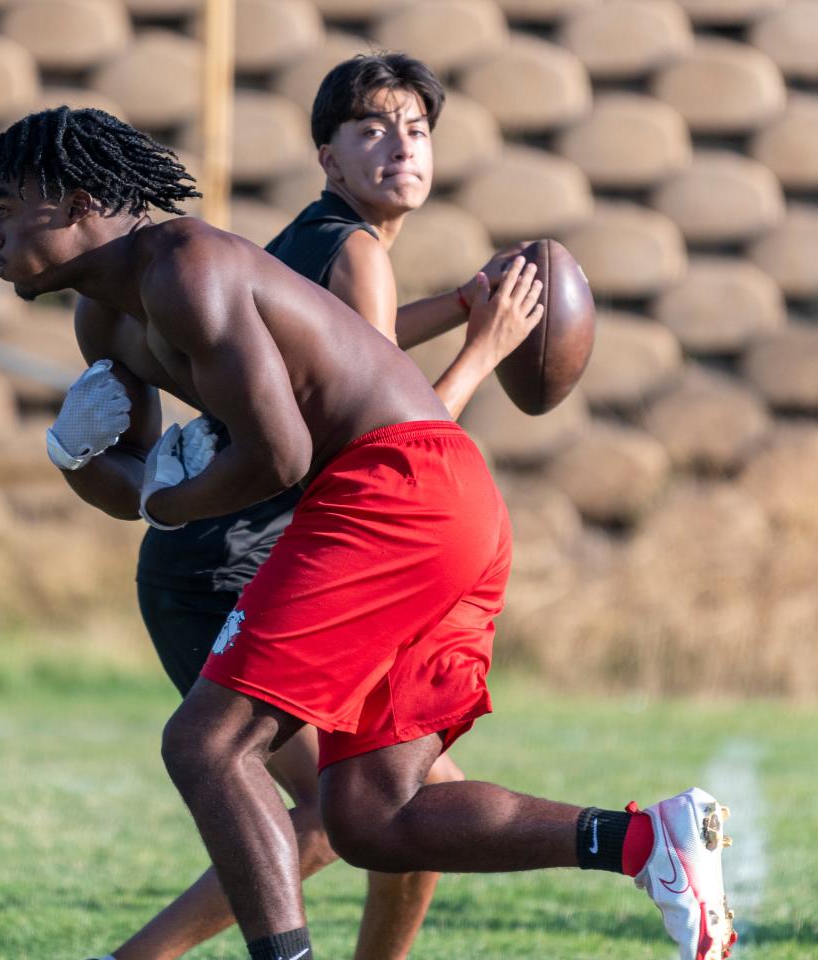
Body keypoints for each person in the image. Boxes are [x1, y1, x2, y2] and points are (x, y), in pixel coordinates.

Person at [0, 105, 734, 960]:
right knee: (374, 815)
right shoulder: (101, 320)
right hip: (432, 500)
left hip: (394, 491)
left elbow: (280, 455)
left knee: (209, 746)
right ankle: (645, 841)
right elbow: (144, 494)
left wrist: (173, 500)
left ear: (77, 203)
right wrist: (72, 455)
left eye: (4, 205)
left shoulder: (184, 267)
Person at [119, 52, 532, 960]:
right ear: (328, 157)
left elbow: (358, 351)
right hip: (233, 564)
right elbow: (391, 446)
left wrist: (460, 303)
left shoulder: (322, 240)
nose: (401, 148)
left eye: (417, 131)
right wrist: (485, 345)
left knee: (407, 814)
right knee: (351, 812)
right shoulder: (353, 250)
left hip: (229, 556)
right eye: (372, 130)